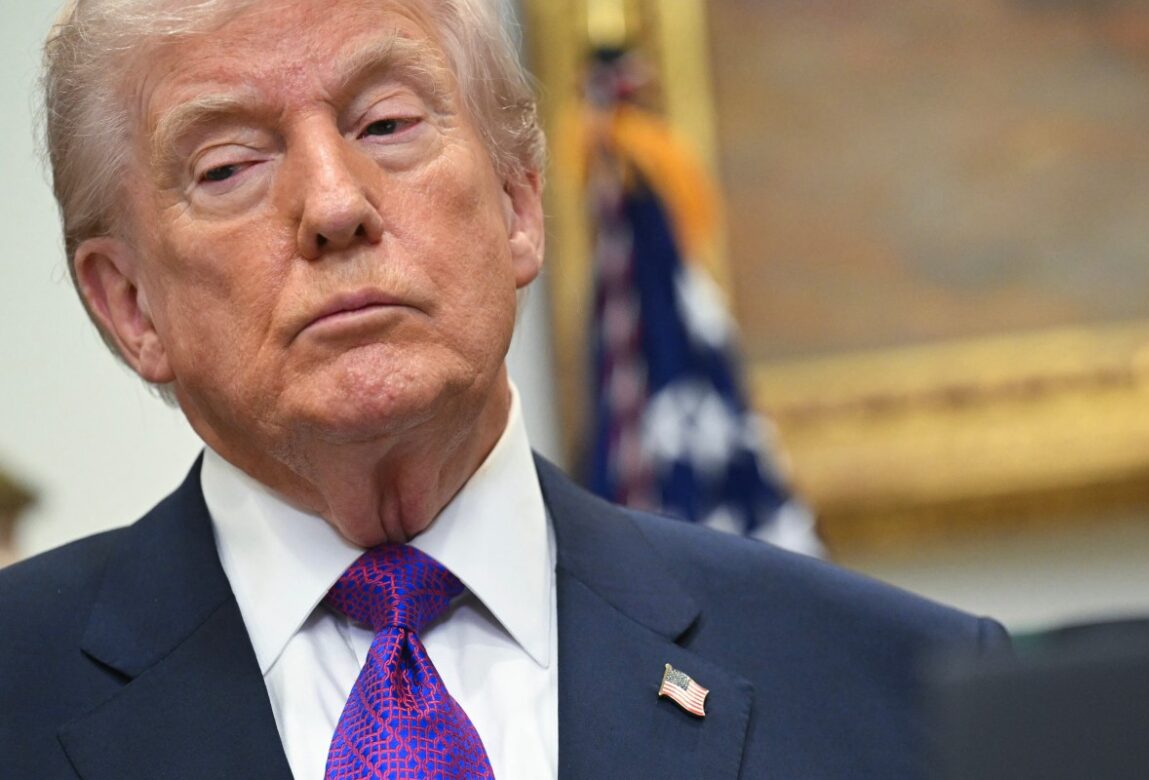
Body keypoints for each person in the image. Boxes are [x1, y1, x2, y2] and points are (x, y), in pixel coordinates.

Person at [0, 0, 1008, 777]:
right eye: (226, 168)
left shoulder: (909, 692)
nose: (336, 204)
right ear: (129, 302)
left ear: (520, 203)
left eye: (387, 122)